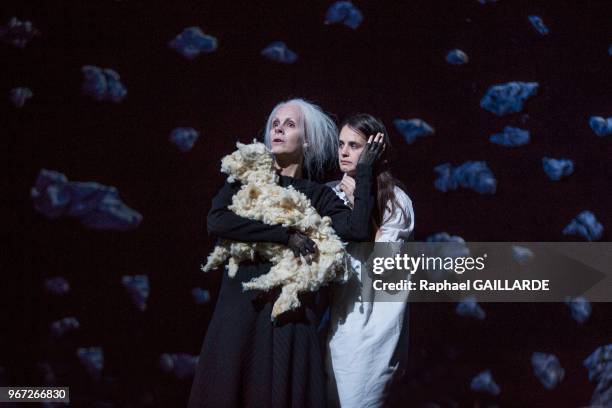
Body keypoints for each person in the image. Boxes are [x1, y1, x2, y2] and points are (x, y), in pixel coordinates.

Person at [188, 99, 385, 408]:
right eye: (275, 125)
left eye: (289, 125)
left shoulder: (317, 194)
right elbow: (218, 220)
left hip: (287, 316)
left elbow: (357, 230)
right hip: (241, 306)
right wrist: (285, 235)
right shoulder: (247, 178)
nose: (278, 130)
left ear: (305, 139)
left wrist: (364, 173)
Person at [326, 113, 415, 408]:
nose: (345, 151)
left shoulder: (395, 200)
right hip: (336, 322)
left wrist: (359, 202)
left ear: (375, 150)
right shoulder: (330, 194)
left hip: (372, 331)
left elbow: (384, 266)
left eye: (355, 145)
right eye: (341, 144)